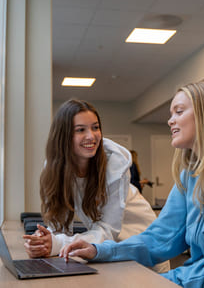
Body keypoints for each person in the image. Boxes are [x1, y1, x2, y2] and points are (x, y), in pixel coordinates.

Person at [61, 81, 204, 287]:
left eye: (179, 112)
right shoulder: (191, 174)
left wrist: (160, 281)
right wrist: (100, 251)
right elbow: (160, 238)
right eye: (171, 114)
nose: (170, 121)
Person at [23, 99, 169, 272]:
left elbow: (108, 231)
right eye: (80, 130)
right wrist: (43, 240)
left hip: (140, 248)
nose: (91, 136)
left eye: (95, 127)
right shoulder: (55, 168)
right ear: (64, 136)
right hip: (108, 253)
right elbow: (58, 224)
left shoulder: (114, 164)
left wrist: (56, 244)